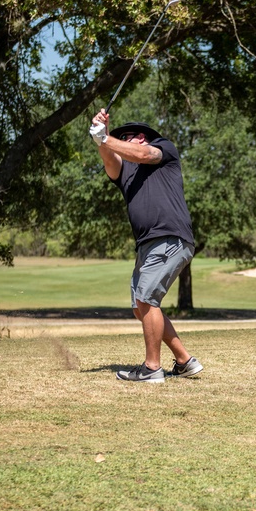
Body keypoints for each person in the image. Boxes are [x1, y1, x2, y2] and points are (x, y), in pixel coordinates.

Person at [89, 110, 203, 383]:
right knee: (140, 307)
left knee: (147, 299)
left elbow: (142, 155)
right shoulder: (125, 171)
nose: (121, 142)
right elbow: (111, 161)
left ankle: (152, 369)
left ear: (141, 137)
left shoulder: (164, 150)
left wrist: (106, 138)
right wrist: (101, 136)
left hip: (169, 237)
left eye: (125, 138)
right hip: (146, 245)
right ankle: (185, 361)